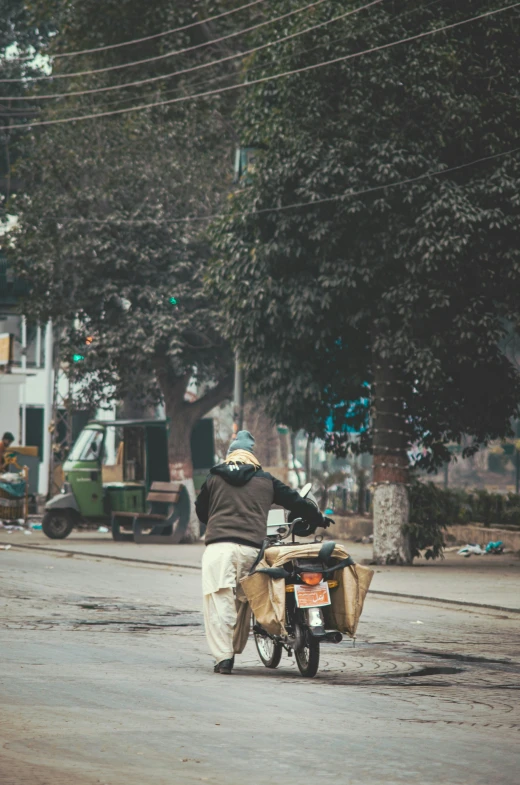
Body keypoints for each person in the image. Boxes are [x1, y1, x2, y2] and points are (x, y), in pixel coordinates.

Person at [195, 430, 325, 675]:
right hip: (251, 551)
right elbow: (296, 501)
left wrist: (217, 515)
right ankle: (235, 645)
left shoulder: (214, 477)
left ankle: (224, 658)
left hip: (218, 550)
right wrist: (318, 518)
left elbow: (201, 511)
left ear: (230, 455)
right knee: (245, 600)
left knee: (218, 602)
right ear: (252, 456)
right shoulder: (266, 480)